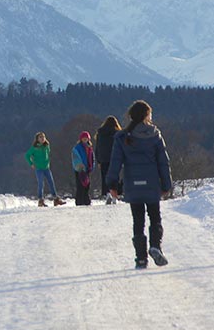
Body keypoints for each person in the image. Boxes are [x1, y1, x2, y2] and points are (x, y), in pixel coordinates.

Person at [107, 101, 173, 269]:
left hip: (133, 185)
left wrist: (112, 184)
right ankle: (155, 246)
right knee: (155, 217)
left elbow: (115, 163)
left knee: (138, 220)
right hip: (152, 184)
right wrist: (166, 184)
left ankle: (141, 258)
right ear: (147, 116)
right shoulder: (155, 136)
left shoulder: (122, 138)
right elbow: (163, 162)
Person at [26, 132, 66, 207]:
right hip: (39, 168)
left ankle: (55, 199)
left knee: (51, 182)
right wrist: (31, 164)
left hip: (46, 168)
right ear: (37, 139)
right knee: (41, 184)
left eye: (43, 137)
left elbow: (48, 154)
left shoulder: (47, 146)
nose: (42, 139)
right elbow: (27, 155)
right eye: (40, 137)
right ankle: (40, 200)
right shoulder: (34, 148)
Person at [94, 116, 121, 203]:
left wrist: (98, 159)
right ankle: (114, 195)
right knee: (114, 176)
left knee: (104, 176)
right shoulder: (117, 133)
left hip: (103, 158)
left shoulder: (100, 133)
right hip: (114, 158)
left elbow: (97, 147)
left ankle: (107, 193)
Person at [71, 131, 95, 206]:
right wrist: (80, 167)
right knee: (80, 185)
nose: (85, 140)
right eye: (84, 138)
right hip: (80, 170)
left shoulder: (89, 148)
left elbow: (92, 158)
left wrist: (91, 166)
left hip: (87, 169)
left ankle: (86, 200)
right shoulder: (77, 148)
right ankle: (79, 201)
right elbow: (76, 158)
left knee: (87, 185)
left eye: (86, 138)